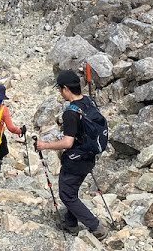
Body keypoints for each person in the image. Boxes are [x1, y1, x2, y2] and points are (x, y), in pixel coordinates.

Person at [35, 70, 107, 239]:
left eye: (60, 89)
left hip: (76, 160)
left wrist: (44, 145)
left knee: (66, 195)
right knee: (71, 191)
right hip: (89, 156)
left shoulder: (70, 112)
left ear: (66, 89)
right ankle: (70, 223)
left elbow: (68, 143)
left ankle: (96, 227)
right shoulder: (89, 102)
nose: (60, 92)